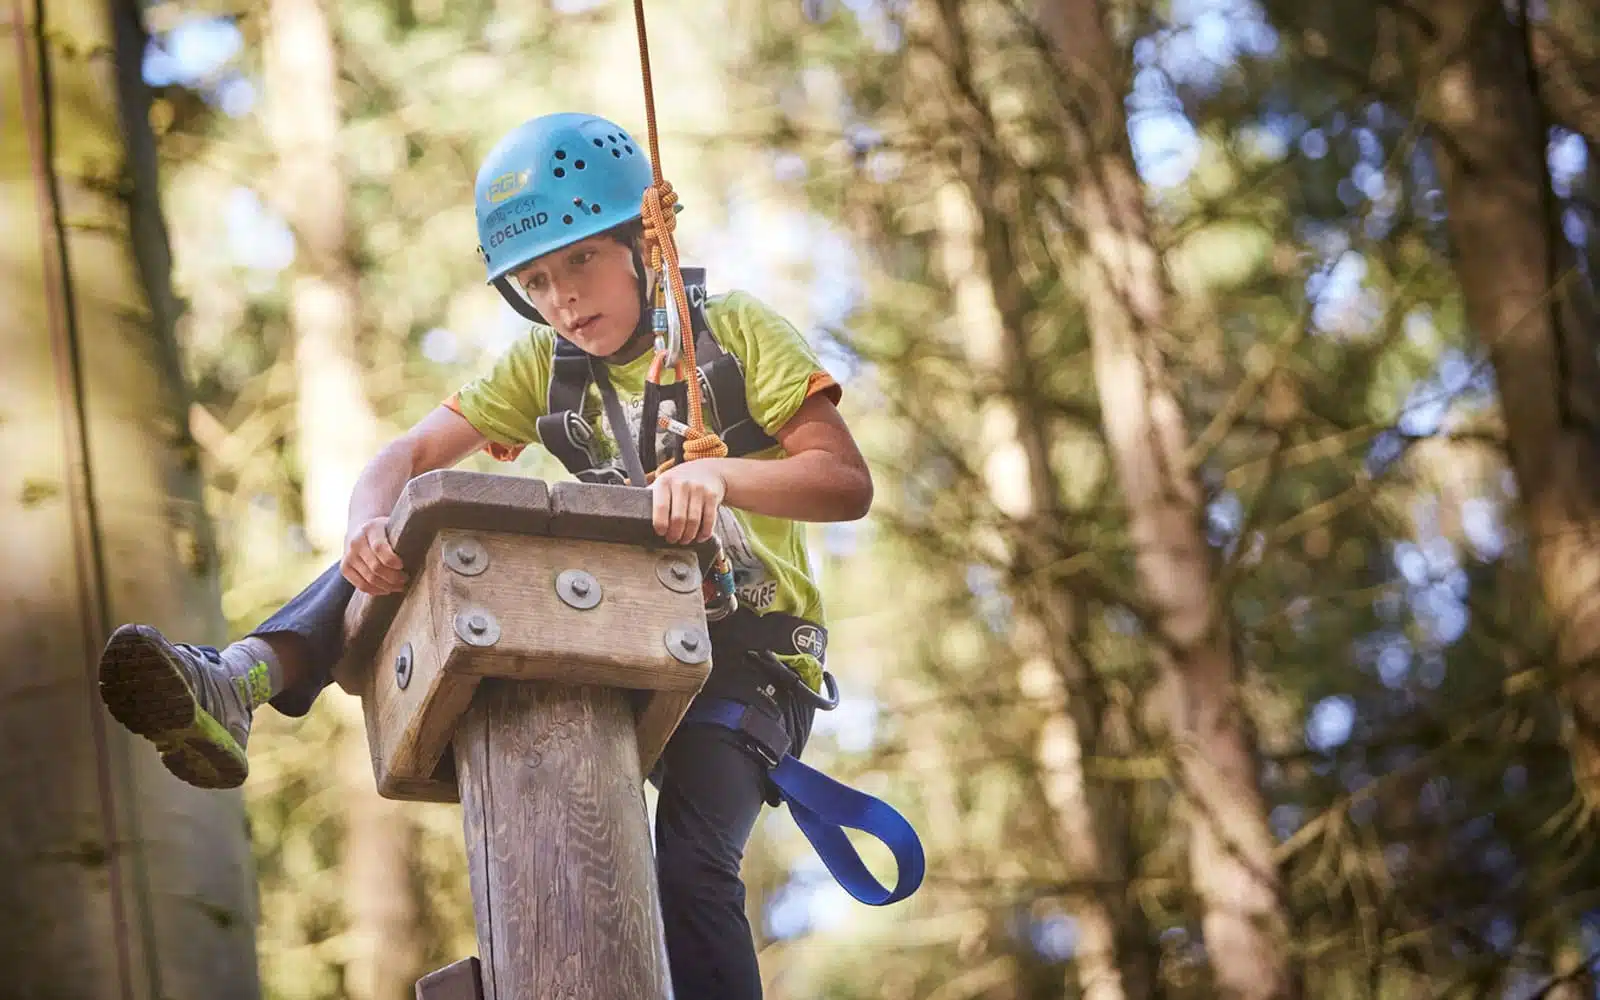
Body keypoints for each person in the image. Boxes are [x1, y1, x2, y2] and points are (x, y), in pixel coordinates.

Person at [96, 111, 873, 997]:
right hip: (621, 625)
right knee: (413, 538)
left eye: (581, 259)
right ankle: (241, 678)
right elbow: (408, 455)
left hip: (749, 656)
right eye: (536, 281)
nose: (563, 298)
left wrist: (726, 478)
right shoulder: (545, 367)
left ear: (643, 242)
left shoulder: (731, 336)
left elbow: (843, 481)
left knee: (690, 868)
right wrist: (364, 520)